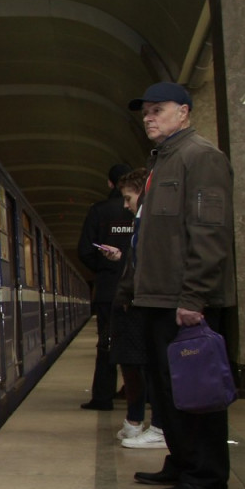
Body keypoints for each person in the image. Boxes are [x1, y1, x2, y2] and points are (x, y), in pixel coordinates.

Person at [126, 82, 236, 489]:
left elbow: (209, 233)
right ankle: (182, 461)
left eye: (158, 109)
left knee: (197, 390)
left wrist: (194, 297)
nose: (149, 117)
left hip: (184, 299)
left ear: (184, 112)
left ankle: (207, 475)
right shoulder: (162, 162)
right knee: (169, 390)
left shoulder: (201, 157)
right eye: (146, 111)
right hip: (158, 298)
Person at [101, 168, 164, 448]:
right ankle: (137, 421)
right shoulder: (141, 221)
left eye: (128, 198)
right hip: (132, 302)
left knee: (148, 368)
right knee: (134, 365)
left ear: (143, 191)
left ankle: (157, 426)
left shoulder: (152, 221)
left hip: (140, 303)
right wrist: (121, 257)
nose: (125, 205)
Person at [77, 163, 136, 409]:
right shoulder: (143, 210)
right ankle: (144, 395)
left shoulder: (99, 211)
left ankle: (102, 397)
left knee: (107, 343)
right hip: (140, 288)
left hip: (109, 288)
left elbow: (85, 251)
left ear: (110, 183)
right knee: (140, 343)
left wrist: (104, 269)